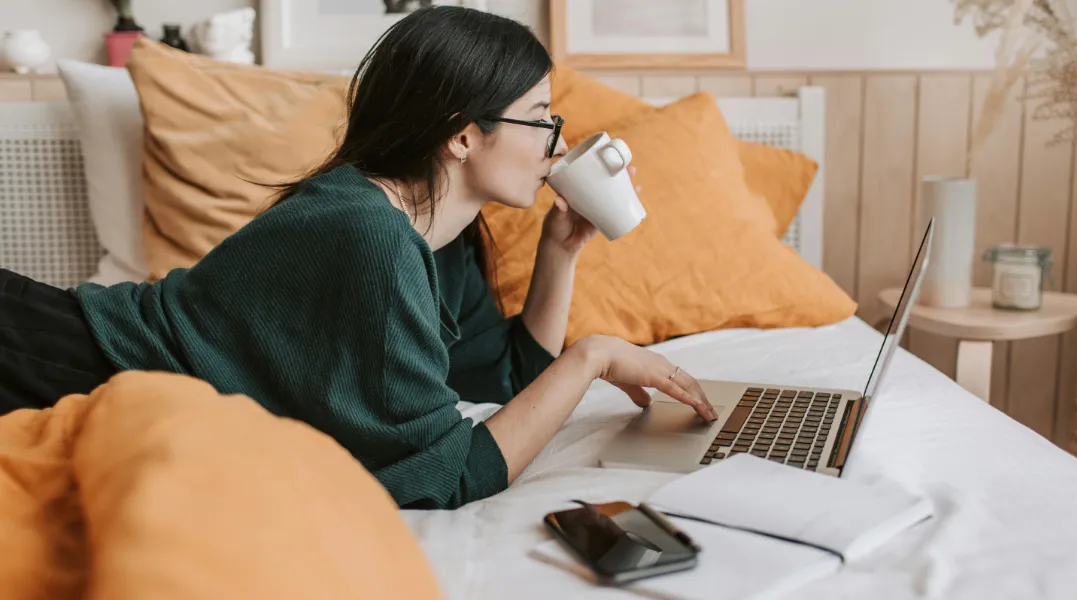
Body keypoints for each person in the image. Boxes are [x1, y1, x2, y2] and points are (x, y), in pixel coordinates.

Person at [0, 6, 716, 509]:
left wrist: (560, 254)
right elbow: (452, 476)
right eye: (540, 118)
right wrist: (590, 357)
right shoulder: (368, 236)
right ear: (462, 137)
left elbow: (502, 382)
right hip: (61, 361)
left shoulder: (440, 232)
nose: (556, 143)